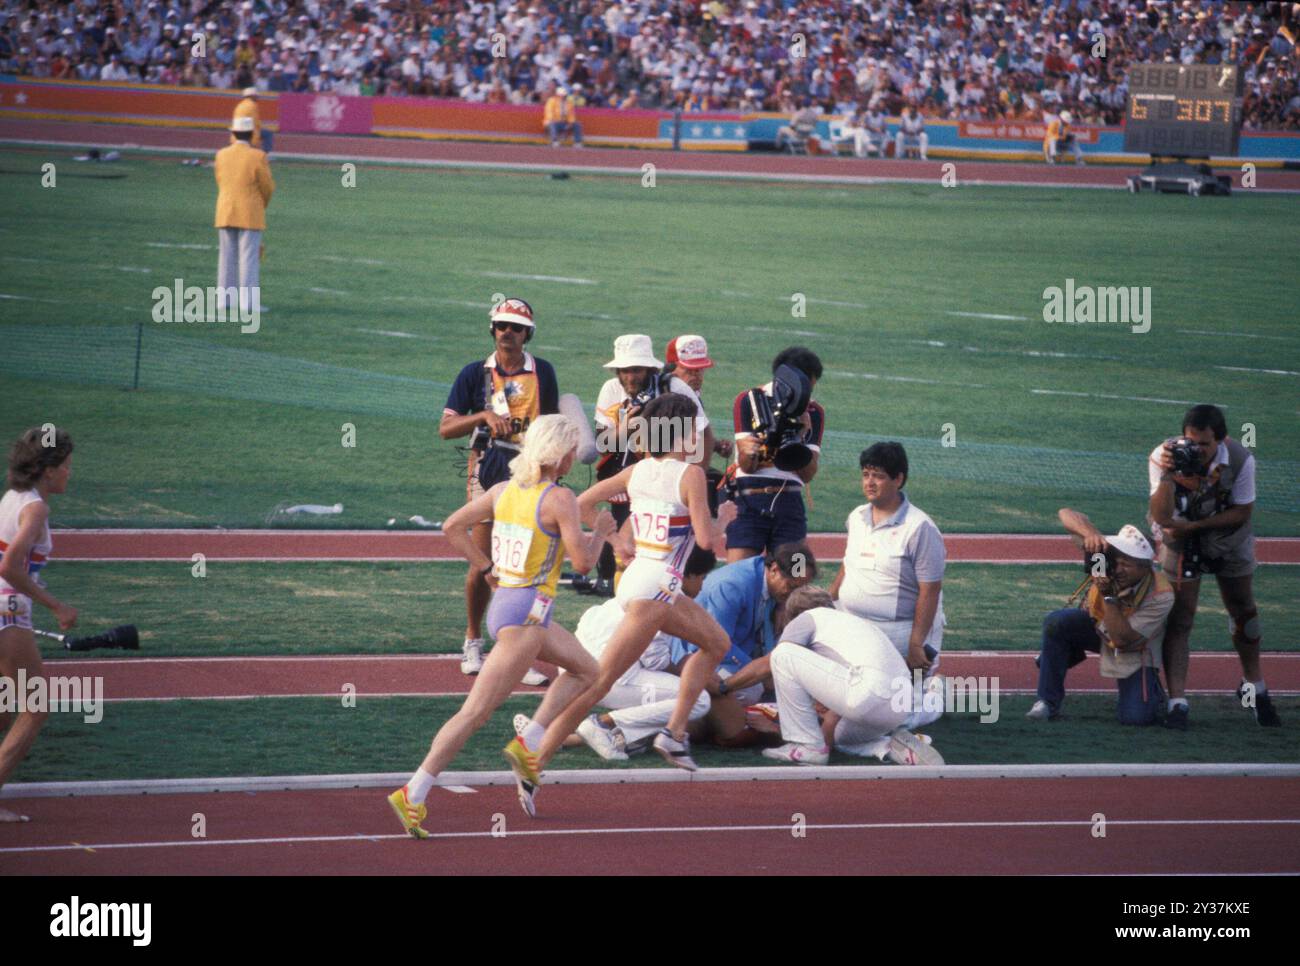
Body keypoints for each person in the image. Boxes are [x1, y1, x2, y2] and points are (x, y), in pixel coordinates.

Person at [387, 416, 616, 836]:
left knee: (588, 670)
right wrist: (600, 532)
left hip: (517, 607)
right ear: (559, 455)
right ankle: (413, 792)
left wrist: (486, 567)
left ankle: (528, 742)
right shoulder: (559, 497)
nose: (573, 459)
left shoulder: (501, 491)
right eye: (571, 451)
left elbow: (451, 527)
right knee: (475, 712)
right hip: (526, 613)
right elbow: (583, 563)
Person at [511, 393, 736, 792]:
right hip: (655, 587)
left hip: (644, 581)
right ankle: (535, 754)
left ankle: (674, 733)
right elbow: (706, 540)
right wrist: (725, 518)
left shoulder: (637, 472)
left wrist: (615, 538)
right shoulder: (691, 476)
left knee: (716, 643)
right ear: (683, 433)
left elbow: (581, 503)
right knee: (598, 682)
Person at [441, 298, 559, 680]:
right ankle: (473, 640)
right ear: (492, 330)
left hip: (530, 472)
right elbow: (446, 429)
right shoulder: (474, 374)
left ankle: (512, 650)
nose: (508, 332)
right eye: (502, 326)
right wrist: (484, 416)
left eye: (516, 327)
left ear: (528, 334)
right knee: (484, 558)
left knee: (523, 563)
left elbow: (553, 426)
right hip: (489, 468)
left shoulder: (544, 372)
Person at [1147, 404, 1279, 729]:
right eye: (1191, 441)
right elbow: (1162, 517)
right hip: (1181, 539)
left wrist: (1196, 527)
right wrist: (1167, 475)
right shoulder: (1163, 456)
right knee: (1181, 618)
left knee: (1244, 612)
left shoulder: (1241, 459)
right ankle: (1178, 701)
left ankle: (1254, 685)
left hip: (1227, 537)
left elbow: (1242, 512)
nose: (1196, 450)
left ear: (1221, 439)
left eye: (1204, 444)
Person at [538, 546, 719, 760]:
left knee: (662, 706)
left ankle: (550, 733)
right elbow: (655, 660)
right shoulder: (666, 598)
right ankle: (604, 724)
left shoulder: (642, 580)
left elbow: (588, 620)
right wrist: (691, 670)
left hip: (575, 669)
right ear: (688, 575)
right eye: (702, 578)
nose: (702, 586)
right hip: (611, 679)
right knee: (697, 698)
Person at [581, 334, 711, 596]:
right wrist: (628, 426)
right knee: (628, 547)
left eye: (636, 370)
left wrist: (690, 477)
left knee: (667, 549)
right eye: (624, 370)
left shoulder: (674, 386)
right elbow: (604, 445)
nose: (630, 377)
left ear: (651, 368)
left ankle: (660, 594)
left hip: (669, 479)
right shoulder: (610, 390)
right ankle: (622, 589)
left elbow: (703, 432)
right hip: (631, 475)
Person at [762, 586, 944, 766]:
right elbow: (830, 735)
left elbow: (770, 663)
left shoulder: (806, 618)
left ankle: (806, 747)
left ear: (794, 614)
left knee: (783, 654)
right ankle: (889, 747)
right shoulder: (854, 626)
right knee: (841, 740)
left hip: (869, 695)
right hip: (899, 706)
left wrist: (733, 685)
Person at [1028, 516, 1174, 726]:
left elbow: (1122, 639)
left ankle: (1154, 693)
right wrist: (1091, 535)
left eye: (1127, 564)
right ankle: (1046, 702)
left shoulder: (1161, 595)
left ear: (1145, 567)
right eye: (1118, 561)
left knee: (1136, 718)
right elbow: (1066, 514)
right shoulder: (1104, 559)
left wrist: (1108, 597)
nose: (1119, 569)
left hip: (1133, 647)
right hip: (1097, 626)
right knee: (1056, 622)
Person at [667, 541, 816, 746]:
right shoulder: (732, 586)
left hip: (730, 651)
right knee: (753, 689)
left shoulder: (768, 581)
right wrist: (759, 672)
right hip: (693, 655)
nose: (791, 595)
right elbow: (714, 645)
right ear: (773, 570)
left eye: (798, 589)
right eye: (791, 587)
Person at [0, 427, 77, 823]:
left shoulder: (12, 498)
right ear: (47, 470)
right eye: (65, 466)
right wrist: (56, 605)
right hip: (7, 612)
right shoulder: (36, 509)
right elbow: (9, 566)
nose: (69, 473)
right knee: (36, 705)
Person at [831, 443, 946, 673]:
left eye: (879, 476)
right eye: (865, 475)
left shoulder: (920, 528)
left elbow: (930, 590)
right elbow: (849, 564)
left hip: (898, 632)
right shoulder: (856, 516)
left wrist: (915, 644)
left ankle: (933, 691)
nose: (869, 483)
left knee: (902, 707)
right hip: (854, 624)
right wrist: (829, 599)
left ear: (898, 479)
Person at [728, 347, 825, 561]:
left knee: (795, 573)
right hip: (749, 498)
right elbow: (746, 465)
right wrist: (770, 439)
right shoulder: (750, 400)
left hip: (790, 501)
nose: (809, 394)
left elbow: (808, 474)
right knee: (737, 571)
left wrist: (799, 437)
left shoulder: (814, 412)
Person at [214, 114, 274, 316]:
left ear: (233, 133)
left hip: (225, 209)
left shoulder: (221, 154)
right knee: (249, 258)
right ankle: (248, 304)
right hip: (250, 211)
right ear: (251, 134)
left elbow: (220, 180)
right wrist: (261, 204)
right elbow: (267, 187)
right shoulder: (258, 156)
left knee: (226, 257)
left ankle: (224, 301)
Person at [231, 86, 263, 150]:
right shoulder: (252, 105)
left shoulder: (240, 105)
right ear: (252, 96)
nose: (257, 97)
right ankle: (264, 154)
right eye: (256, 96)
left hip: (235, 136)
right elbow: (255, 123)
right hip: (249, 135)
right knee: (268, 134)